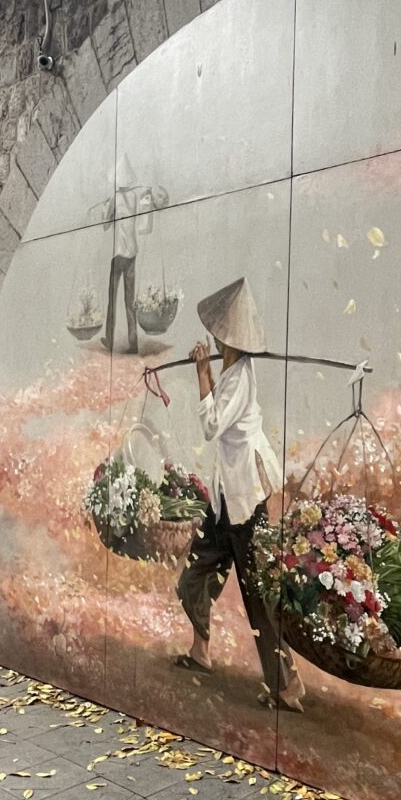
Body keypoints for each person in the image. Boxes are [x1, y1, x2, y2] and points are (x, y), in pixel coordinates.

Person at [174, 277, 305, 713]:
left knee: (256, 594)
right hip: (224, 498)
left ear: (226, 339)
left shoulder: (238, 378)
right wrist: (210, 372)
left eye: (218, 335)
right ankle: (201, 652)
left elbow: (212, 427)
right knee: (197, 574)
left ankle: (286, 686)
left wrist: (202, 374)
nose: (213, 339)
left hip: (245, 499)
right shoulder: (230, 373)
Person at [96, 155, 169, 354]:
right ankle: (133, 342)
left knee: (113, 297)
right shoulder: (136, 197)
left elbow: (105, 225)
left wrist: (106, 209)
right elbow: (147, 200)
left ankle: (110, 339)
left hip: (117, 254)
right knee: (130, 301)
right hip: (132, 253)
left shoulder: (114, 199)